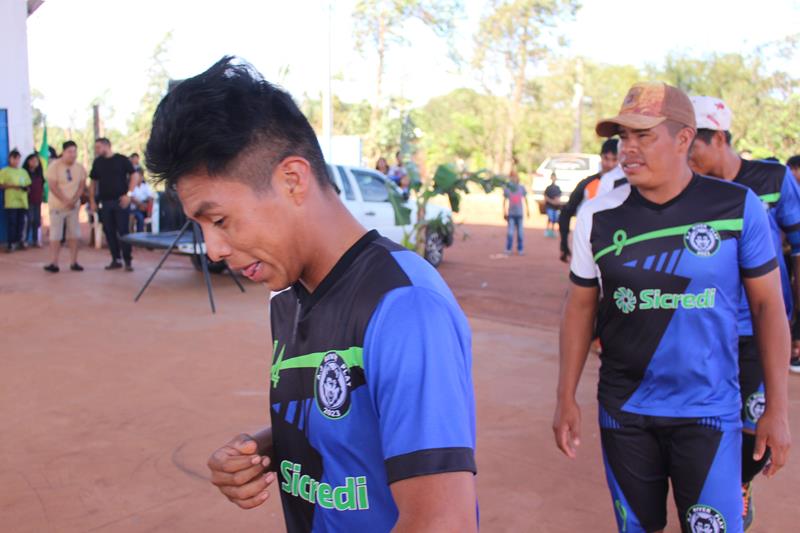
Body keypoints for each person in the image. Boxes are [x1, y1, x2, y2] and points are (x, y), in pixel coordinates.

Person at [145, 57, 478, 533]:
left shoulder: (403, 306)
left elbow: (442, 523)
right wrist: (264, 449)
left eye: (218, 220)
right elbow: (350, 424)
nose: (214, 249)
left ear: (293, 180)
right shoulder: (289, 296)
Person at [554, 82, 791, 533]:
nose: (628, 149)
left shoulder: (736, 206)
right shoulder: (598, 215)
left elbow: (767, 309)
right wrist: (565, 397)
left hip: (709, 411)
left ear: (684, 138)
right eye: (624, 137)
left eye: (644, 136)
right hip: (625, 412)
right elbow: (580, 308)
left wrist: (775, 410)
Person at [688, 95, 800, 528]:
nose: (688, 156)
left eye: (692, 145)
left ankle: (742, 482)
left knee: (759, 424)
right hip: (710, 327)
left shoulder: (771, 177)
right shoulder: (694, 192)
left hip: (759, 327)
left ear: (718, 138)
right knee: (710, 421)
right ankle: (720, 488)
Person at [559, 139, 619, 262]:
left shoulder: (628, 186)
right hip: (589, 246)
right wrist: (564, 242)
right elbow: (566, 211)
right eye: (606, 159)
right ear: (601, 157)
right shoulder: (587, 184)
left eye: (615, 159)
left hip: (617, 245)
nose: (610, 164)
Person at [89, 137, 137, 271]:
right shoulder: (97, 163)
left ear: (106, 146)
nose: (97, 150)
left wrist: (128, 194)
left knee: (123, 231)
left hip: (121, 201)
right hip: (105, 202)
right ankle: (115, 259)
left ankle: (128, 260)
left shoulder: (121, 160)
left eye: (98, 147)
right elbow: (93, 182)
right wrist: (92, 200)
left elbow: (134, 175)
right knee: (109, 231)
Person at [43, 141, 87, 272]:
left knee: (74, 235)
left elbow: (81, 186)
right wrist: (65, 200)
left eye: (74, 151)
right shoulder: (54, 166)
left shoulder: (79, 168)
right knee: (55, 236)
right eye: (70, 152)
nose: (73, 155)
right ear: (64, 152)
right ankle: (54, 263)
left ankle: (74, 262)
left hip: (73, 207)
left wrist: (73, 200)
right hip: (57, 206)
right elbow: (52, 186)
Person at [0, 149, 31, 252]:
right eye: (14, 158)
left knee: (21, 223)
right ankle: (11, 243)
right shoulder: (4, 171)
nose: (17, 161)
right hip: (11, 202)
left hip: (22, 202)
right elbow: (1, 185)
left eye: (18, 159)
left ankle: (19, 242)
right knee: (12, 223)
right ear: (10, 159)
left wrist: (26, 188)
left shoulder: (23, 171)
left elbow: (28, 185)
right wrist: (14, 186)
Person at [503, 169, 529, 255]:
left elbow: (525, 199)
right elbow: (504, 200)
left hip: (520, 214)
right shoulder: (508, 188)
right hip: (511, 214)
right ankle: (508, 248)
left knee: (520, 233)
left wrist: (528, 210)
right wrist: (504, 211)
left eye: (515, 177)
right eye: (512, 177)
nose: (514, 179)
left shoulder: (521, 188)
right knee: (510, 232)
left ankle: (520, 249)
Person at [22, 153, 44, 247]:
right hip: (28, 201)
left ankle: (36, 240)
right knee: (29, 220)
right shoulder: (24, 173)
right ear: (28, 162)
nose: (35, 162)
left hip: (37, 200)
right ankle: (25, 240)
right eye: (32, 160)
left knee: (37, 220)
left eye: (36, 161)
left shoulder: (39, 174)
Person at [544, 172, 561, 238]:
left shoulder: (557, 188)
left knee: (554, 219)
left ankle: (552, 231)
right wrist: (551, 201)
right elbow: (545, 197)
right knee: (550, 218)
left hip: (555, 207)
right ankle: (547, 230)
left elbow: (558, 197)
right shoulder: (548, 188)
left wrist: (557, 202)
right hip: (549, 206)